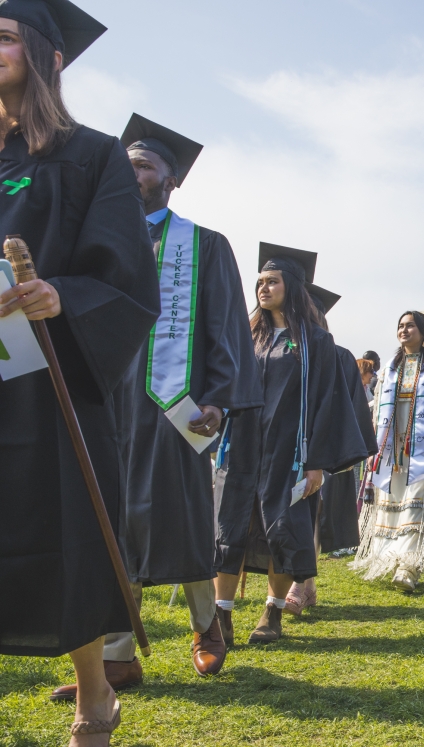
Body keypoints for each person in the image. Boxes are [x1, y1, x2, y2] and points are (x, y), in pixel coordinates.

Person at [55, 115, 263, 696]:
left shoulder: (203, 246)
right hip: (104, 404)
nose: (130, 172)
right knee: (107, 525)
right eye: (123, 163)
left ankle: (207, 627)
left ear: (172, 181)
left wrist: (220, 400)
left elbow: (226, 328)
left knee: (178, 519)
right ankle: (118, 657)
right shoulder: (91, 242)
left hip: (175, 408)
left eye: (143, 164)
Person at [0, 1, 160, 742]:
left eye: (3, 37)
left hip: (52, 377)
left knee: (63, 526)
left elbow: (127, 278)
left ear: (49, 55)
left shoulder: (94, 155)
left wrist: (63, 293)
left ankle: (95, 691)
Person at [212, 244, 366, 644]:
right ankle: (221, 616)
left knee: (285, 531)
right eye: (260, 281)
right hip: (243, 447)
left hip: (290, 453)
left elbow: (325, 405)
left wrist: (316, 463)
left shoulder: (316, 342)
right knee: (229, 530)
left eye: (273, 281)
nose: (263, 288)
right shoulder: (246, 335)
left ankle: (272, 612)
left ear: (292, 286)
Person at [285, 284, 379, 611]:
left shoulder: (337, 355)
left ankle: (298, 584)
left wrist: (342, 453)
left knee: (310, 513)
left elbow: (352, 409)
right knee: (298, 515)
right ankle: (306, 584)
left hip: (324, 452)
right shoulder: (282, 349)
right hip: (283, 448)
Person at [351, 311, 424, 592]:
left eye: (410, 325)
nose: (404, 330)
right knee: (391, 501)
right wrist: (374, 447)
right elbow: (377, 418)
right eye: (400, 326)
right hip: (392, 452)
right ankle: (389, 559)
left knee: (417, 505)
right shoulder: (389, 368)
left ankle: (409, 567)